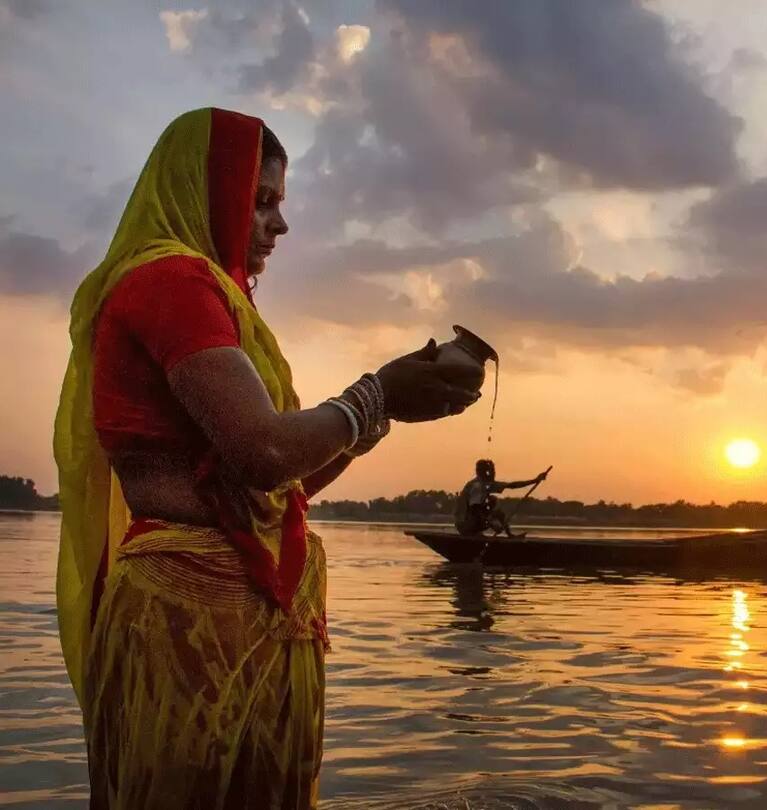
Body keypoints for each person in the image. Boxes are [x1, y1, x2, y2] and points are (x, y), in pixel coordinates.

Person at [53, 108, 481, 809]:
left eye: (278, 204)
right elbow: (264, 450)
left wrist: (380, 415)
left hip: (257, 611)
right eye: (260, 201)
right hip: (191, 617)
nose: (279, 225)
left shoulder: (219, 299)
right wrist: (374, 394)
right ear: (205, 192)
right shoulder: (170, 280)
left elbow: (282, 485)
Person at [455, 460, 548, 537]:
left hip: (470, 522)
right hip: (465, 524)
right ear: (485, 472)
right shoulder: (478, 486)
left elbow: (512, 485)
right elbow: (475, 509)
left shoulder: (486, 484)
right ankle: (473, 532)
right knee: (493, 504)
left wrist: (535, 480)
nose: (493, 474)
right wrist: (491, 523)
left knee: (495, 506)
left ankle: (509, 535)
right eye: (491, 471)